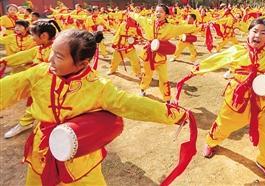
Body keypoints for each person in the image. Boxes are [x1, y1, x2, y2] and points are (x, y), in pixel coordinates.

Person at [0, 29, 192, 185]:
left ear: (82, 63)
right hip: (40, 152)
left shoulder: (98, 87)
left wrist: (172, 114)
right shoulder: (39, 73)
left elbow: (132, 105)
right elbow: (9, 87)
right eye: (52, 52)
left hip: (80, 158)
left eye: (58, 56)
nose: (50, 59)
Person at [174, 18, 265, 182]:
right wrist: (196, 70)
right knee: (222, 127)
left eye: (263, 33)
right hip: (235, 102)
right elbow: (216, 59)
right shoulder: (237, 51)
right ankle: (210, 143)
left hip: (258, 104)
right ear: (248, 33)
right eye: (255, 31)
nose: (258, 36)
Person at [1, 20, 61, 138]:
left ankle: (26, 123)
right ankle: (27, 122)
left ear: (44, 36)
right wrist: (4, 61)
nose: (32, 38)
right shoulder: (39, 48)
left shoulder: (57, 49)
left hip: (52, 85)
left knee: (40, 104)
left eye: (33, 35)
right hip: (39, 83)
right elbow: (23, 55)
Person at [131, 4, 199, 100]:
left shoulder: (169, 27)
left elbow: (183, 28)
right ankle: (143, 89)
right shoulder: (148, 22)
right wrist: (130, 13)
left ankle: (167, 98)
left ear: (166, 15)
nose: (158, 13)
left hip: (160, 55)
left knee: (164, 78)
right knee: (147, 75)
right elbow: (138, 17)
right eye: (156, 11)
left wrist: (200, 26)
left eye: (161, 12)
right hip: (148, 54)